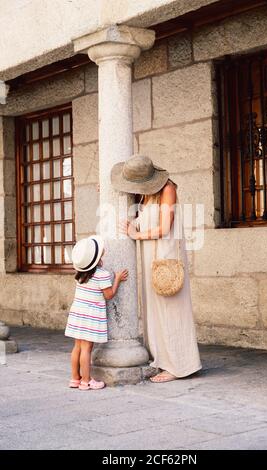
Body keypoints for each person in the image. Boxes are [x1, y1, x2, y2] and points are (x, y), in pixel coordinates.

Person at [111, 154, 202, 383]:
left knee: (171, 309)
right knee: (154, 311)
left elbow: (164, 227)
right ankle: (161, 359)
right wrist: (134, 223)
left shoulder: (167, 189)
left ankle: (179, 365)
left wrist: (136, 234)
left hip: (165, 256)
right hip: (150, 256)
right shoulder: (144, 195)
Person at [65, 235, 128, 390]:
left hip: (78, 312)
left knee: (77, 347)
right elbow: (109, 295)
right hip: (90, 315)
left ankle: (75, 379)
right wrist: (117, 279)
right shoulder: (102, 274)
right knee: (87, 349)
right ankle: (86, 381)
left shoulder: (79, 274)